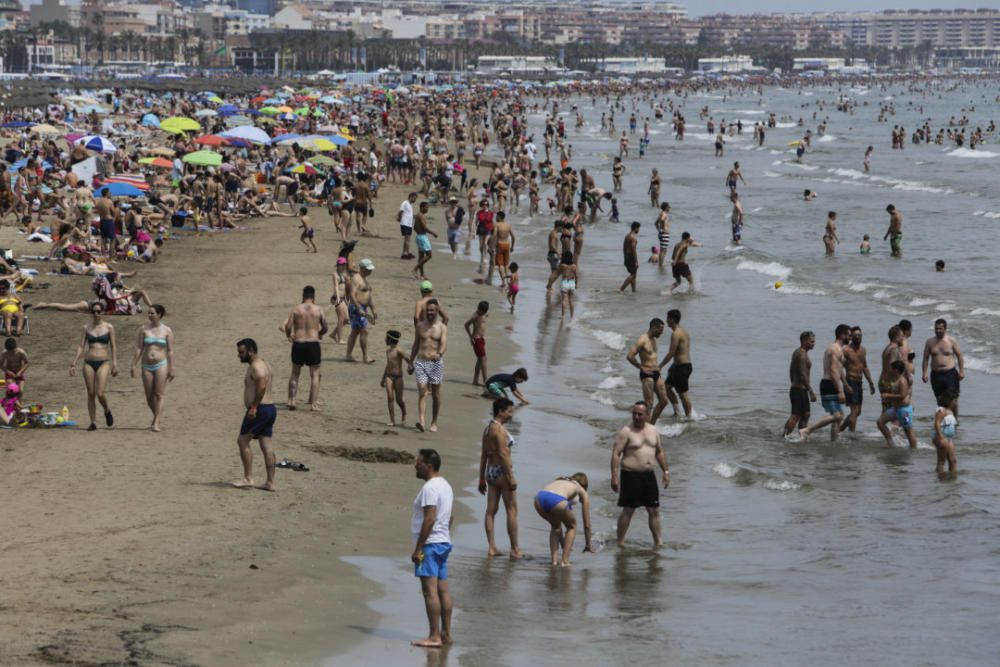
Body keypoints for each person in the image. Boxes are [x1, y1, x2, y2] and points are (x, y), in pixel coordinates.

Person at [410, 448, 454, 649]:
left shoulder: (430, 488)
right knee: (443, 590)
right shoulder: (445, 485)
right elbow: (450, 517)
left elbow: (429, 518)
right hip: (443, 542)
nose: (415, 466)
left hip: (430, 544)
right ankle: (446, 633)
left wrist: (419, 548)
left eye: (418, 462)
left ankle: (434, 636)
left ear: (428, 466)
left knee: (430, 592)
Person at [610, 401, 670, 547]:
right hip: (631, 475)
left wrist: (665, 471)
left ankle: (659, 543)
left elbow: (659, 452)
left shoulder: (653, 430)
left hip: (649, 475)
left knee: (654, 510)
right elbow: (616, 453)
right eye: (634, 413)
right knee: (629, 510)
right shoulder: (626, 431)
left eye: (640, 414)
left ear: (647, 415)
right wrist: (614, 476)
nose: (636, 417)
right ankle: (620, 542)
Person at [478, 398, 522, 559]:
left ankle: (491, 547)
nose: (511, 414)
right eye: (509, 411)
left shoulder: (488, 429)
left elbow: (483, 455)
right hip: (502, 472)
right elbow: (504, 454)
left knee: (491, 510)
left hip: (490, 471)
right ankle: (515, 549)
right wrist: (511, 477)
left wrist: (481, 478)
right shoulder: (500, 431)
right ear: (500, 411)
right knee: (512, 510)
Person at [233, 338, 277, 492]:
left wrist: (253, 407)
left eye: (242, 352)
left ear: (251, 351)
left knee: (242, 441)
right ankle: (270, 482)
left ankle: (248, 478)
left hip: (260, 409)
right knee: (266, 445)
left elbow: (262, 386)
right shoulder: (264, 363)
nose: (239, 355)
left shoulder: (256, 367)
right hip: (269, 408)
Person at [69, 301, 118, 431]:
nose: (96, 314)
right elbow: (81, 346)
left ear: (102, 312)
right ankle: (93, 422)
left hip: (103, 361)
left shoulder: (109, 327)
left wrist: (115, 363)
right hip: (88, 362)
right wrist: (74, 362)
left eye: (98, 311)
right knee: (90, 393)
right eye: (94, 311)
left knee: (100, 392)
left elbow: (113, 346)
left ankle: (107, 410)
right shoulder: (86, 327)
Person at [799, 324, 851, 441]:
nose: (850, 338)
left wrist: (846, 385)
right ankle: (807, 430)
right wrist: (840, 391)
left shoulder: (839, 349)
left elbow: (839, 369)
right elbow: (833, 371)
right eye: (849, 335)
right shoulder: (834, 349)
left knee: (838, 417)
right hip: (829, 384)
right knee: (837, 415)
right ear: (842, 335)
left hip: (834, 384)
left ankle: (834, 442)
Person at [281, 285, 328, 411]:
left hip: (299, 343)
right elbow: (325, 326)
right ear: (313, 297)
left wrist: (288, 336)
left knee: (295, 373)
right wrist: (320, 334)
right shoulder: (318, 309)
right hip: (313, 343)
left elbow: (288, 326)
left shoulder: (296, 309)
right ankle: (313, 404)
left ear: (303, 296)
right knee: (315, 374)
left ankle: (292, 400)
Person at [129, 304, 175, 432]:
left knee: (159, 394)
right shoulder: (143, 329)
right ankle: (157, 415)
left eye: (152, 313)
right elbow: (139, 348)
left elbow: (170, 351)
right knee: (149, 396)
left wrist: (172, 367)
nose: (149, 315)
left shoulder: (167, 330)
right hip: (146, 365)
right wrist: (133, 364)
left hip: (161, 364)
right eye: (148, 313)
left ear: (159, 315)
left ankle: (156, 422)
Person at [534, 473, 593, 567]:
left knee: (556, 527)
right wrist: (588, 544)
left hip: (539, 498)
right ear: (584, 485)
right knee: (572, 526)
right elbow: (587, 524)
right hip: (556, 499)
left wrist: (565, 545)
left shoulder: (561, 480)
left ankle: (554, 561)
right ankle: (564, 561)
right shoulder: (581, 489)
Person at [409, 299, 447, 433]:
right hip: (421, 362)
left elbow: (443, 344)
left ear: (437, 311)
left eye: (432, 310)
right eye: (428, 310)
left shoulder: (441, 327)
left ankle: (434, 422)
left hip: (435, 363)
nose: (430, 312)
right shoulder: (420, 326)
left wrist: (439, 354)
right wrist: (410, 361)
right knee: (422, 391)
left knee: (436, 394)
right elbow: (415, 344)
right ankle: (422, 421)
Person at [627, 318, 669, 424]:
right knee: (649, 403)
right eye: (660, 330)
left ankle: (651, 425)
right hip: (646, 375)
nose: (662, 333)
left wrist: (659, 367)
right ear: (654, 327)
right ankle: (644, 427)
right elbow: (630, 356)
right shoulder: (642, 339)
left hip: (656, 373)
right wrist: (641, 367)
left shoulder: (654, 340)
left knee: (664, 401)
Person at [922, 318, 964, 417]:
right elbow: (925, 359)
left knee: (953, 400)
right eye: (936, 328)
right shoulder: (929, 342)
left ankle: (955, 419)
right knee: (940, 400)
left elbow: (959, 356)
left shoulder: (951, 340)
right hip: (936, 375)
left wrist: (961, 371)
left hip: (950, 373)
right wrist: (924, 373)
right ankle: (943, 420)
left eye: (940, 329)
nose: (938, 331)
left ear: (945, 329)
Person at [658, 309, 693, 418]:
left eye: (668, 318)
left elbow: (671, 352)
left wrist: (661, 365)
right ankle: (677, 412)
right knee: (667, 387)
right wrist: (673, 366)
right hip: (678, 366)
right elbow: (680, 352)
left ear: (672, 320)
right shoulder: (683, 331)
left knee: (683, 395)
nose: (666, 321)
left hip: (683, 367)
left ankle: (689, 418)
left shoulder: (676, 334)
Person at [841, 326, 876, 433]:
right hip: (850, 380)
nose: (857, 337)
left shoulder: (863, 350)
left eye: (859, 335)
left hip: (859, 382)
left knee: (858, 412)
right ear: (851, 337)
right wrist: (845, 384)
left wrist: (871, 382)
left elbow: (864, 367)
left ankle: (840, 429)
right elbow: (838, 368)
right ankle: (852, 435)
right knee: (854, 411)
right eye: (855, 335)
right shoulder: (846, 350)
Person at [876, 360, 917, 448]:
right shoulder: (897, 379)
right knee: (880, 422)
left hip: (904, 410)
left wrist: (888, 395)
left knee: (908, 431)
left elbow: (903, 395)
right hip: (895, 409)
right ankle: (891, 442)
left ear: (896, 370)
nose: (890, 370)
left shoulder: (902, 381)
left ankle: (914, 449)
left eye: (891, 368)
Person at [784, 331, 817, 437]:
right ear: (804, 341)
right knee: (796, 415)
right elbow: (803, 375)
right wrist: (811, 391)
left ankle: (801, 436)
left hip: (798, 388)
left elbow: (791, 370)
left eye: (814, 341)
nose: (813, 343)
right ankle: (784, 436)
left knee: (806, 414)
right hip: (799, 390)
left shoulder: (797, 352)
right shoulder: (802, 355)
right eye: (811, 341)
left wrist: (793, 383)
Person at [346, 259, 377, 364]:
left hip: (363, 307)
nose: (370, 271)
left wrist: (373, 309)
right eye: (369, 269)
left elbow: (369, 296)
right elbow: (352, 295)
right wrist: (358, 307)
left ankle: (348, 355)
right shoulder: (356, 278)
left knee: (355, 331)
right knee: (364, 331)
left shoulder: (365, 280)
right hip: (356, 308)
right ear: (363, 268)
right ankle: (365, 357)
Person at [381, 330, 410, 427]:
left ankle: (404, 412)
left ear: (390, 339)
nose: (385, 340)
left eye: (386, 338)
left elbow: (407, 359)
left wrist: (411, 367)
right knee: (390, 397)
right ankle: (392, 420)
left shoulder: (399, 350)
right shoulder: (388, 351)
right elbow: (387, 365)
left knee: (399, 400)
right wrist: (383, 378)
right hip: (389, 376)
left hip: (398, 377)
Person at [932, 390, 958, 475]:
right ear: (948, 401)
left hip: (949, 439)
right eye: (955, 400)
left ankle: (952, 479)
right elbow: (937, 423)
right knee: (941, 461)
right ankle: (940, 479)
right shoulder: (941, 410)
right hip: (941, 437)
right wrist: (941, 436)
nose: (956, 403)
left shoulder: (950, 411)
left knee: (953, 460)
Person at [464, 300, 489, 386]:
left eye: (484, 312)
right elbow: (466, 325)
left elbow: (485, 317)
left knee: (480, 359)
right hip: (477, 340)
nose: (481, 312)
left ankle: (475, 380)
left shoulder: (483, 314)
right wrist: (470, 336)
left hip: (481, 339)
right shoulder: (475, 316)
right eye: (481, 310)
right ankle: (486, 381)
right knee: (483, 359)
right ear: (479, 309)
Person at [412, 201, 437, 279]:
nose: (427, 209)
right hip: (422, 237)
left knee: (421, 256)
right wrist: (433, 233)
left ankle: (422, 274)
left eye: (428, 207)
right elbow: (424, 227)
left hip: (419, 236)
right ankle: (415, 269)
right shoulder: (421, 216)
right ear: (422, 207)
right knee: (429, 255)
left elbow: (415, 227)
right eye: (426, 207)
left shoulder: (417, 215)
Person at [492, 211, 515, 286]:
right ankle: (508, 280)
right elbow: (513, 237)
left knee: (500, 264)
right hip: (507, 244)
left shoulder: (497, 224)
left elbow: (495, 235)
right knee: (506, 264)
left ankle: (503, 282)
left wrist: (492, 245)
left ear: (499, 217)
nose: (495, 218)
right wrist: (512, 247)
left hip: (500, 244)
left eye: (496, 216)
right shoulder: (508, 225)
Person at [619, 221, 640, 293]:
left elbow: (624, 248)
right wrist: (636, 261)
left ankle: (634, 290)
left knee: (633, 274)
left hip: (627, 256)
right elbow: (633, 249)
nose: (639, 230)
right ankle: (621, 289)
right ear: (635, 228)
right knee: (633, 275)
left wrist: (625, 257)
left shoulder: (627, 236)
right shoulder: (633, 237)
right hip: (631, 257)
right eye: (638, 228)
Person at [557, 251, 577, 322]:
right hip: (572, 282)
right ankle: (572, 316)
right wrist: (576, 284)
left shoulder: (562, 266)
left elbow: (558, 272)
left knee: (564, 300)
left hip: (565, 282)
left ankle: (563, 316)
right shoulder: (574, 266)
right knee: (571, 300)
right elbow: (576, 275)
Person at [397, 192, 417, 260]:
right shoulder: (405, 203)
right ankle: (406, 253)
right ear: (410, 197)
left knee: (407, 239)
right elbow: (400, 211)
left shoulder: (411, 205)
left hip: (409, 224)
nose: (415, 200)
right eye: (414, 198)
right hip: (405, 223)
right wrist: (399, 218)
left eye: (415, 199)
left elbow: (409, 214)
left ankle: (404, 253)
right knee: (407, 239)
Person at [654, 202, 670, 268]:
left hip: (661, 233)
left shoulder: (661, 213)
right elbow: (661, 219)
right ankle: (661, 264)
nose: (670, 208)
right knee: (664, 249)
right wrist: (663, 228)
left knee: (663, 249)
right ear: (666, 207)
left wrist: (659, 230)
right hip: (664, 233)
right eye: (669, 207)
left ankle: (660, 264)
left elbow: (655, 223)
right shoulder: (664, 214)